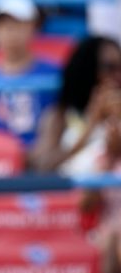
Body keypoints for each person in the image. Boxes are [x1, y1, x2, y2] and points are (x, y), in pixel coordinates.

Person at [0, 0, 61, 150]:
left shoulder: (54, 73)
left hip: (43, 162)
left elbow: (60, 123)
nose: (10, 30)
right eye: (3, 23)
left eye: (18, 23)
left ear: (34, 26)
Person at [31, 36, 121, 174]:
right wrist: (91, 125)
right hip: (72, 192)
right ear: (87, 69)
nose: (118, 75)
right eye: (110, 67)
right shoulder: (60, 116)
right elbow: (42, 167)